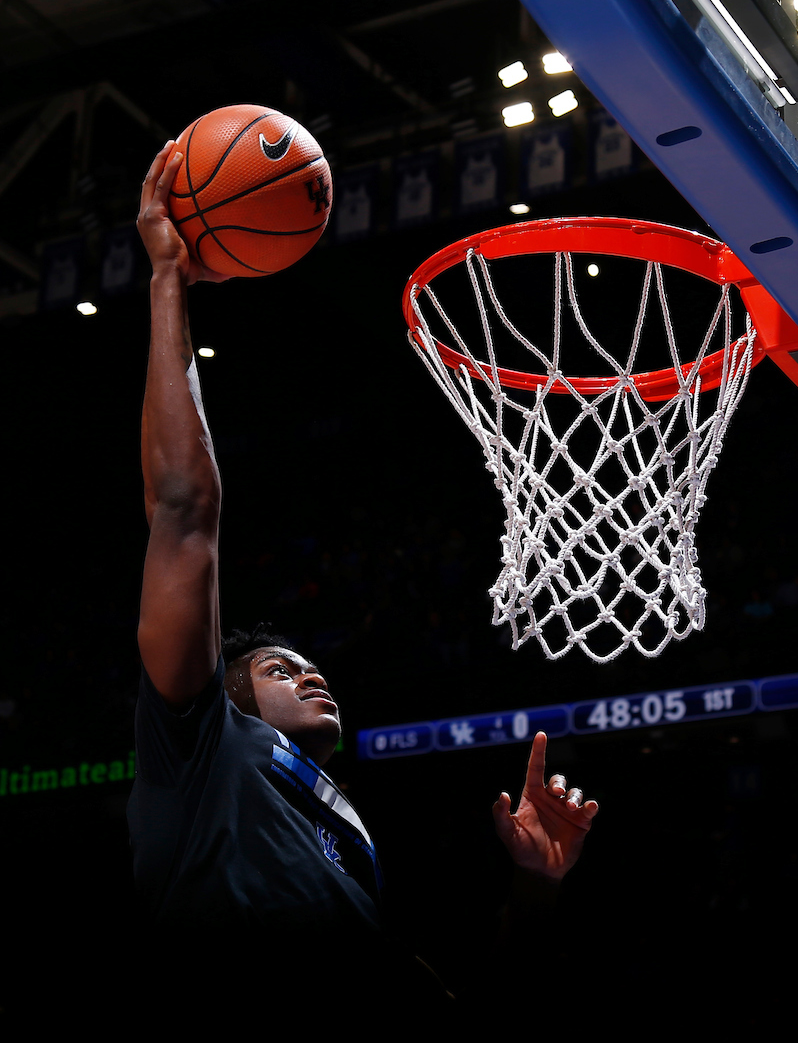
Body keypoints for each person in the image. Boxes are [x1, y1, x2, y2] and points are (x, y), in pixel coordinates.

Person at [128, 143, 599, 1024]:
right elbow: (185, 508)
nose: (311, 672)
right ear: (218, 701)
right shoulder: (198, 750)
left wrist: (534, 891)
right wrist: (169, 281)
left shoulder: (343, 846)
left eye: (306, 664)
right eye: (277, 668)